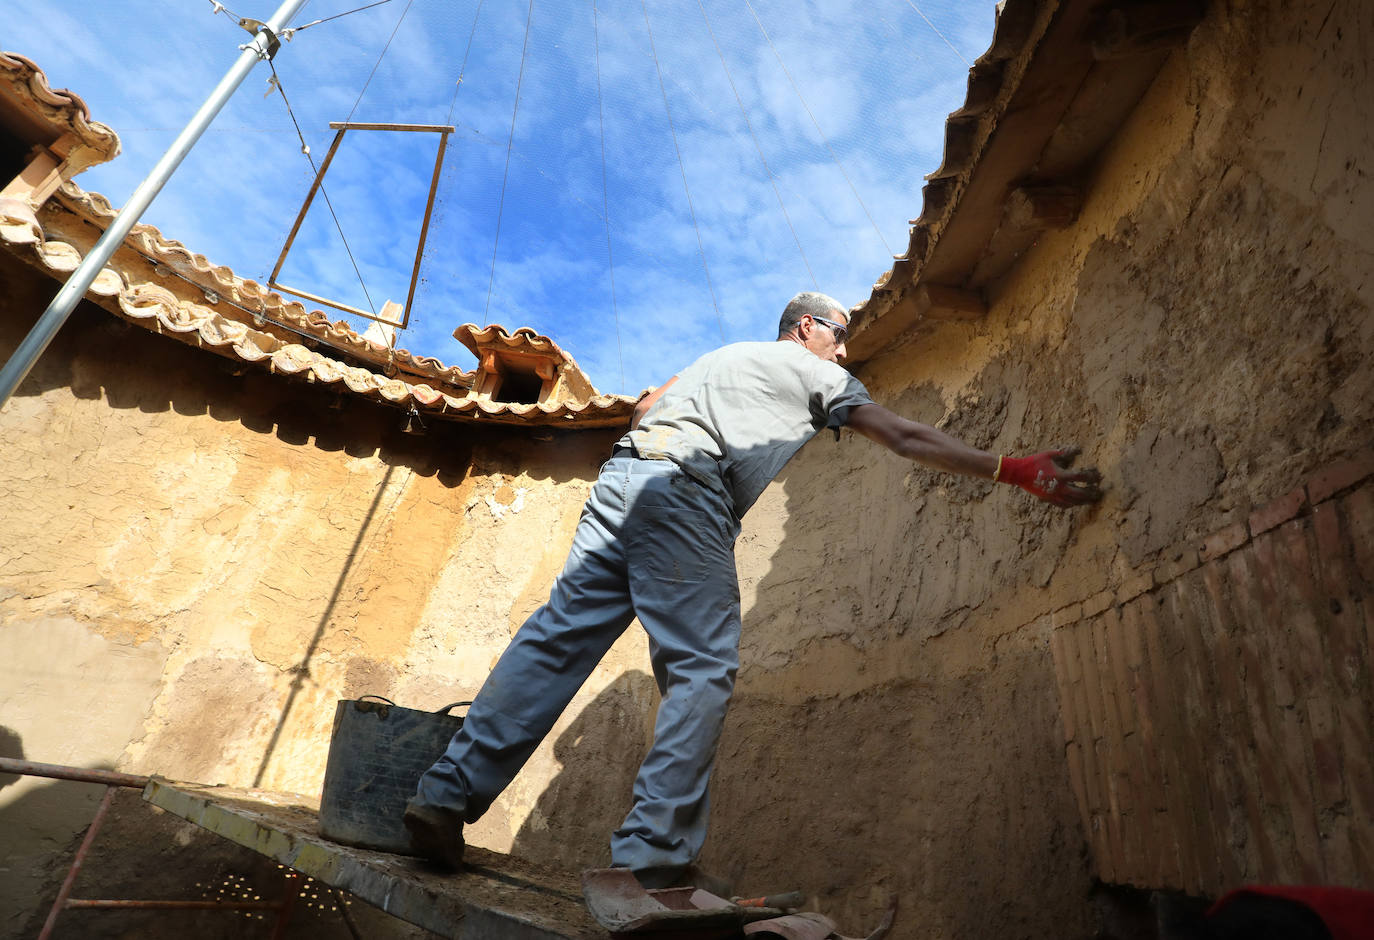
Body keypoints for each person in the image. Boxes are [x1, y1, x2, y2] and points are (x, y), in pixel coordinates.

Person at [403, 291, 1102, 886]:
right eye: (839, 337)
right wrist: (1010, 468)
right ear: (806, 328)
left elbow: (646, 409)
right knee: (701, 668)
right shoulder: (808, 368)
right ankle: (651, 862)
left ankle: (444, 797)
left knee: (556, 640)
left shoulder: (718, 358)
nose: (845, 354)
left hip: (624, 478)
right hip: (685, 491)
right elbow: (904, 436)